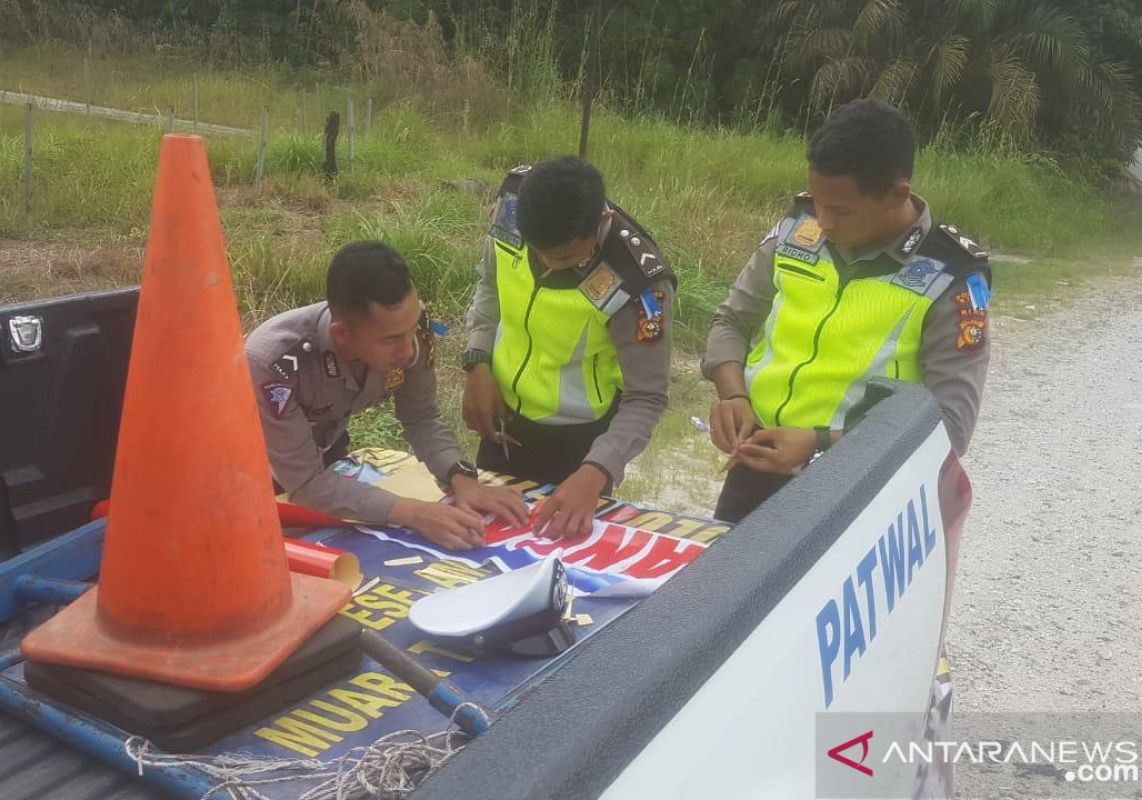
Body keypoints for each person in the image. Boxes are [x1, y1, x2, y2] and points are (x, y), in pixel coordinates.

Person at [704, 99, 992, 523]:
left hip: (863, 492)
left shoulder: (951, 277)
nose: (823, 222)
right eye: (818, 203)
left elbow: (948, 426)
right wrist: (732, 395)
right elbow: (730, 321)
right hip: (758, 465)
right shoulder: (796, 231)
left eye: (840, 210)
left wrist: (819, 443)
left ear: (898, 193)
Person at [245, 240, 528, 550]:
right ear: (342, 334)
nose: (408, 351)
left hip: (322, 459)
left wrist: (460, 477)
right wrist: (414, 513)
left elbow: (421, 417)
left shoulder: (407, 326)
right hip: (247, 477)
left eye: (411, 330)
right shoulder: (275, 364)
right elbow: (306, 483)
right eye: (391, 340)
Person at [461, 156, 675, 538]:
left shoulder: (637, 281)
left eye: (562, 257)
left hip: (578, 449)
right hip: (503, 427)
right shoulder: (516, 204)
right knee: (483, 545)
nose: (546, 264)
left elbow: (647, 397)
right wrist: (478, 362)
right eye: (537, 251)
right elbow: (489, 285)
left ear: (600, 225)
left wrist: (597, 471)